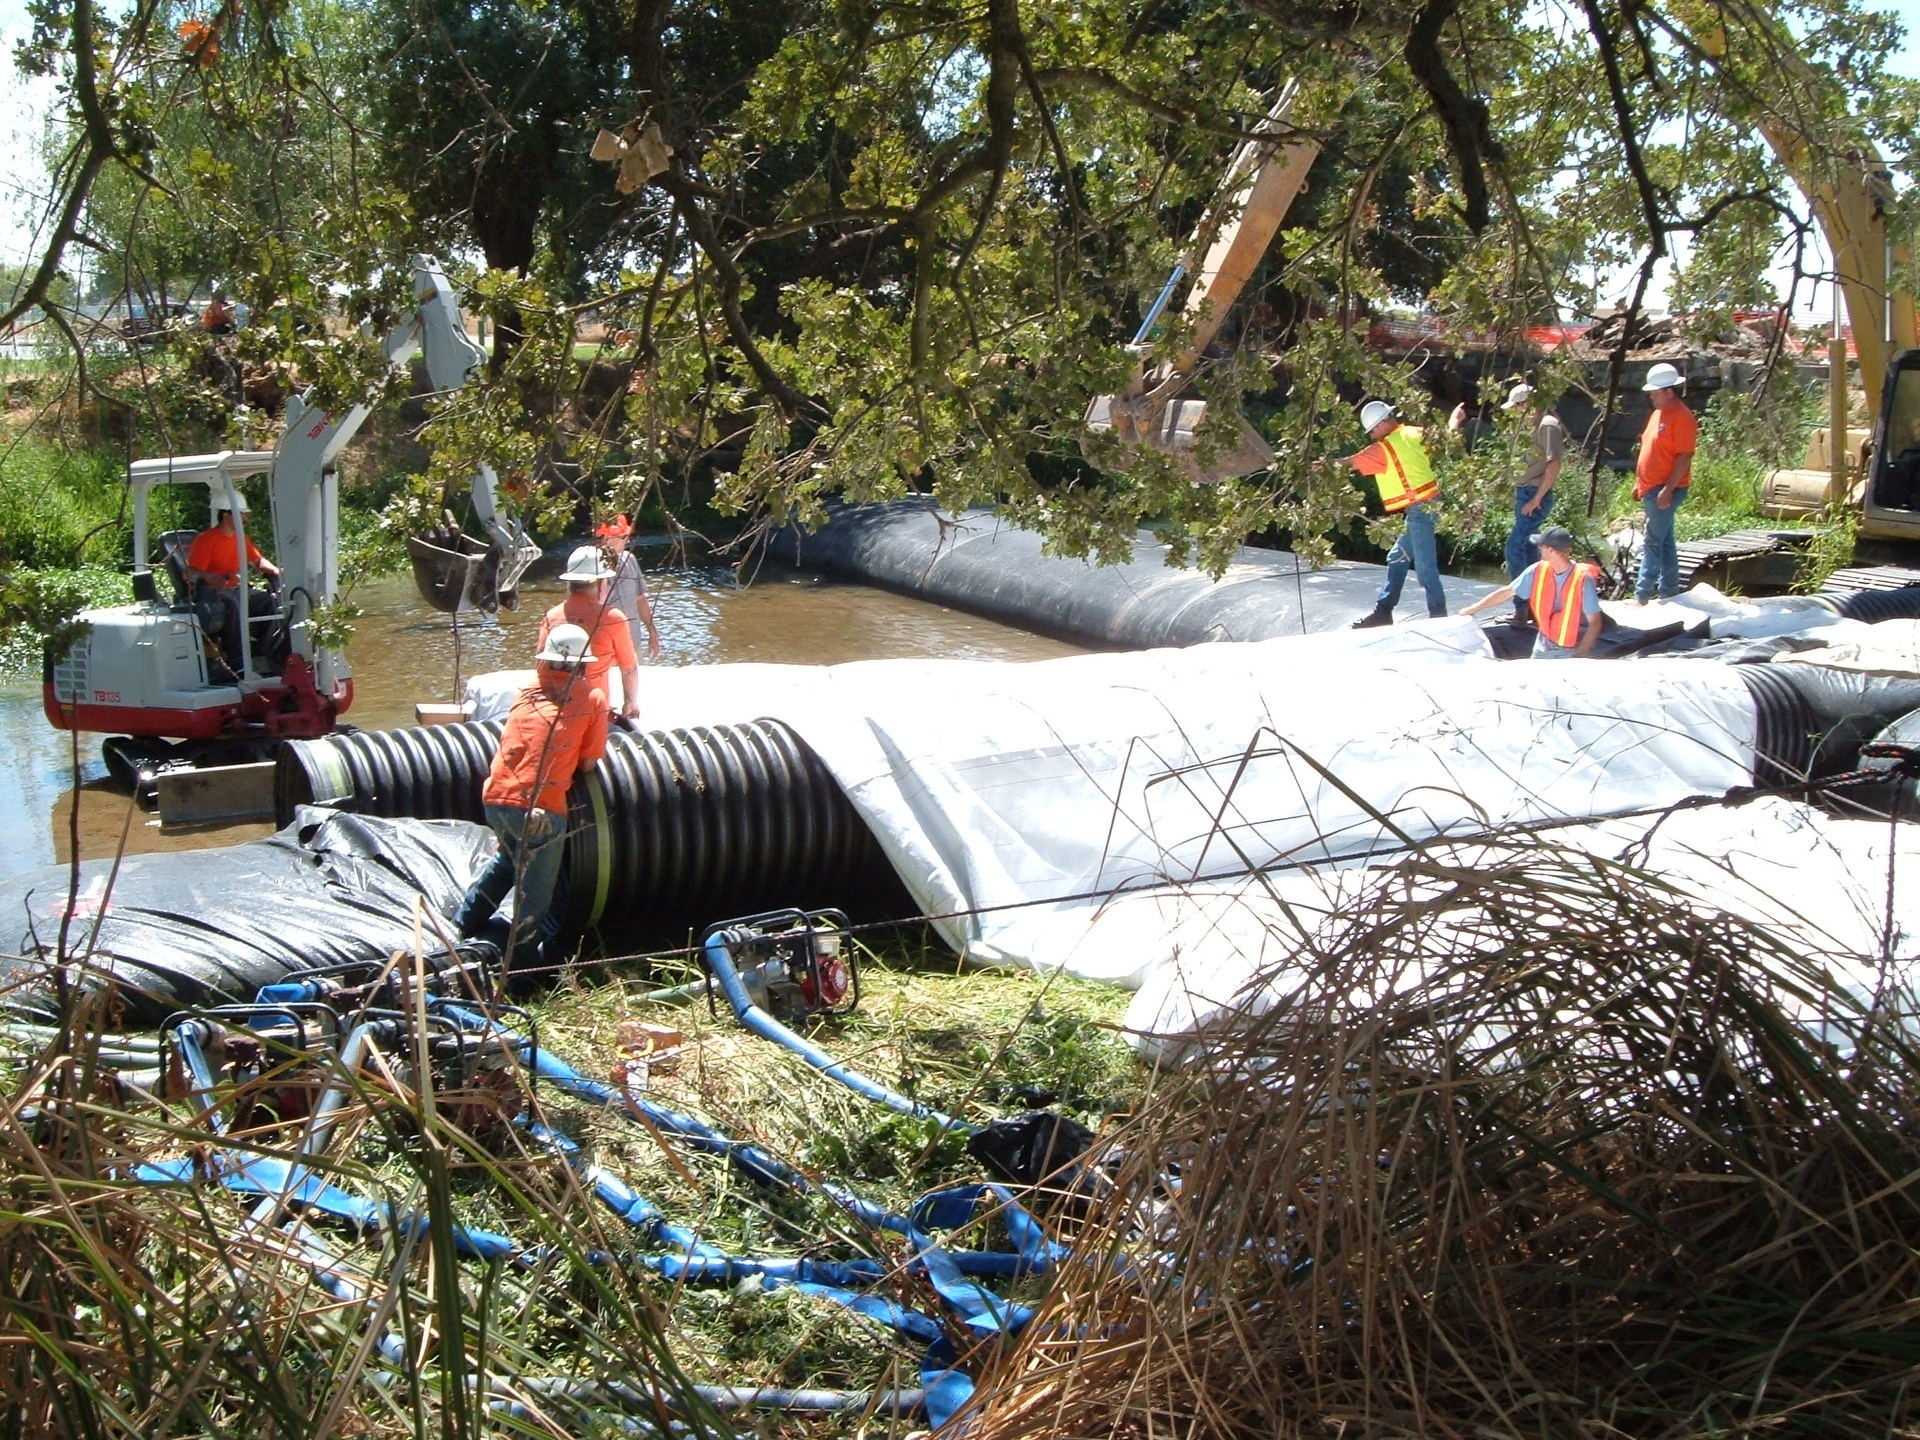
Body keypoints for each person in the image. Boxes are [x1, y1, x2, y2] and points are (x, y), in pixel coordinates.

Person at [455, 623, 610, 973]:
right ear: (583, 665)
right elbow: (589, 761)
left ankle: (459, 928)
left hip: (496, 799)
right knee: (535, 897)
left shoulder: (525, 689)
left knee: (507, 863)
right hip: (541, 812)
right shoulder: (592, 697)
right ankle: (517, 973)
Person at [1340, 399, 1447, 627]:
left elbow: (1352, 462)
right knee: (1396, 557)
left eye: (1372, 430)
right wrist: (1454, 421)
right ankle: (1384, 611)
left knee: (1426, 570)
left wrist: (1322, 465)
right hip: (1430, 503)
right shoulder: (1413, 432)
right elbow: (1443, 438)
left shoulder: (1384, 449)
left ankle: (1439, 620)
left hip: (1421, 508)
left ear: (1382, 423)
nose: (1371, 436)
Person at [1461, 525, 1601, 657]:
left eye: (1541, 546)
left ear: (1551, 551)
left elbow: (1595, 623)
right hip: (1543, 643)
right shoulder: (1537, 570)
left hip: (1571, 650)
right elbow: (1507, 592)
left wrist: (1580, 656)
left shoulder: (1583, 579)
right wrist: (1474, 608)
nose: (1539, 549)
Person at [539, 545, 641, 719]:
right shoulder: (611, 618)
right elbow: (629, 668)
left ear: (570, 583)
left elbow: (541, 668)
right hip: (593, 714)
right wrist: (630, 702)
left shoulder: (551, 617)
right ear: (601, 584)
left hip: (552, 712)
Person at [185, 496, 281, 671]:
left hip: (236, 589)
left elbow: (258, 560)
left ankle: (265, 654)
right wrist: (210, 576)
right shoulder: (207, 540)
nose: (246, 519)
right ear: (227, 515)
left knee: (270, 601)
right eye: (242, 514)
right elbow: (189, 572)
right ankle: (238, 663)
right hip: (213, 593)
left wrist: (276, 571)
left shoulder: (240, 539)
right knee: (234, 605)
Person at [1633, 362, 1696, 603]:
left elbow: (1684, 456)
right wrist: (1639, 483)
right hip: (1652, 488)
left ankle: (1642, 594)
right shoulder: (1658, 414)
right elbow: (1650, 448)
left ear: (1669, 391)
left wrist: (1668, 489)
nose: (1651, 396)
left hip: (1666, 489)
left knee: (1652, 540)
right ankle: (1670, 591)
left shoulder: (1682, 418)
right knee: (1665, 541)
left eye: (1654, 392)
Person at [1499, 383, 1566, 579]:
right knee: (1529, 548)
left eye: (1517, 407)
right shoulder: (1528, 427)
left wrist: (1537, 499)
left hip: (1535, 496)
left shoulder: (1547, 425)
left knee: (1513, 548)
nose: (1515, 412)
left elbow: (1554, 464)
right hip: (1524, 493)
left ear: (1527, 404)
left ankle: (1522, 600)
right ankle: (1534, 598)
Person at [595, 514, 664, 662]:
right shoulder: (591, 567)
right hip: (604, 649)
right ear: (607, 538)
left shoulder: (629, 559)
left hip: (632, 644)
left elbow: (640, 600)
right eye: (624, 536)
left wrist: (653, 633)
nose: (628, 540)